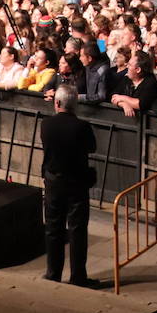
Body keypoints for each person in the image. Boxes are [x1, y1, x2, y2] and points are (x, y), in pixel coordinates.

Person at [40, 84, 100, 288]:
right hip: (76, 182)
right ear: (75, 105)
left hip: (53, 181)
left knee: (53, 228)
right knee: (77, 230)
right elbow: (92, 147)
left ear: (57, 103)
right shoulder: (82, 126)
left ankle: (53, 273)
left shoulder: (46, 124)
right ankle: (77, 276)